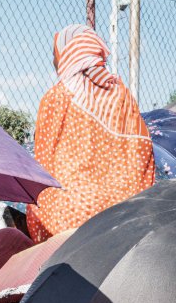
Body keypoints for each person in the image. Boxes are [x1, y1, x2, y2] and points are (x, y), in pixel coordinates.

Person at [27, 24, 155, 242]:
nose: (54, 60)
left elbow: (44, 164)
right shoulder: (121, 94)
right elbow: (141, 157)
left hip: (68, 219)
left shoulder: (56, 97)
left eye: (55, 54)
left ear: (68, 53)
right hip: (123, 216)